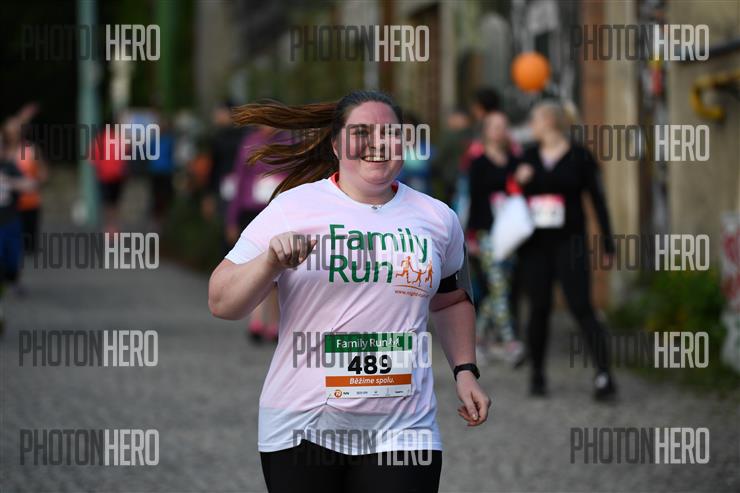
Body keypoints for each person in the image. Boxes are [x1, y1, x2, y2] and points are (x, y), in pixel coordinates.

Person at [208, 90, 490, 492]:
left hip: (404, 428)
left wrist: (465, 371)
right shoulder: (292, 209)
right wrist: (269, 262)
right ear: (338, 144)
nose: (377, 144)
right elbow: (221, 301)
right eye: (361, 133)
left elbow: (450, 301)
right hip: (304, 425)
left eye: (390, 133)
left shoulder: (437, 218)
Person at [514, 100, 616, 400]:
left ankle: (604, 374)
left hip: (570, 243)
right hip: (535, 245)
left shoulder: (580, 157)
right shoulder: (528, 156)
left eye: (534, 120)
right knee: (539, 308)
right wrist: (518, 181)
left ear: (549, 121)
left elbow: (598, 200)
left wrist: (608, 242)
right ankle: (537, 374)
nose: (531, 126)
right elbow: (508, 194)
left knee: (582, 307)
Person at [467, 112, 524, 367]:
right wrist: (471, 236)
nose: (500, 130)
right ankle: (510, 342)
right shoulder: (478, 163)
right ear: (486, 131)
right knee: (498, 287)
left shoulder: (516, 161)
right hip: (487, 233)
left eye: (504, 126)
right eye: (495, 126)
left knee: (499, 290)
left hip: (511, 233)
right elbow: (474, 199)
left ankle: (478, 339)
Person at [225, 125, 288, 342]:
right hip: (251, 210)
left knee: (277, 267)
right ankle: (257, 319)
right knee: (255, 266)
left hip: (277, 210)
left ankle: (274, 322)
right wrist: (232, 218)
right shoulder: (249, 143)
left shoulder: (288, 143)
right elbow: (239, 180)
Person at [0, 124, 36, 333]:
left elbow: (31, 184)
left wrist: (10, 182)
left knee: (12, 263)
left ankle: (13, 281)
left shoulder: (9, 167)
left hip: (10, 222)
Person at [89, 123, 127, 234]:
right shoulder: (119, 139)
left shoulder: (100, 139)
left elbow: (92, 159)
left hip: (105, 176)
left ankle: (110, 226)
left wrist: (99, 167)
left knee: (107, 202)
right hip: (117, 175)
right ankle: (114, 225)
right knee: (115, 202)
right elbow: (126, 155)